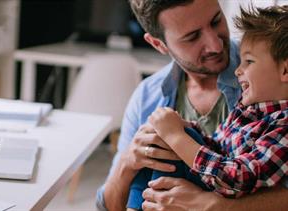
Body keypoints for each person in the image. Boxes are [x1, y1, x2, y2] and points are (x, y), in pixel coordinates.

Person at [95, 0, 288, 210]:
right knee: (156, 144)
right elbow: (107, 206)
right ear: (158, 44)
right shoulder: (147, 98)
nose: (215, 45)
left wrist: (219, 207)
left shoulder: (269, 64)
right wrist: (127, 163)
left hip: (225, 181)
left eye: (215, 21)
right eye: (192, 37)